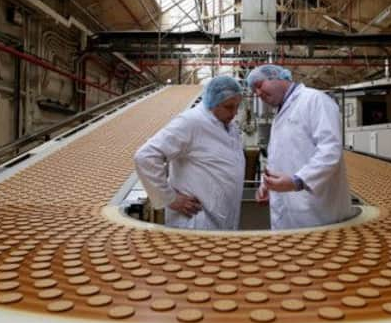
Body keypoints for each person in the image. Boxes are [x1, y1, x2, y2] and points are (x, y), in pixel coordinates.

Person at [246, 64, 355, 230]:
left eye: (259, 86)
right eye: (255, 92)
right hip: (289, 210)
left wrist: (297, 181)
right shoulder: (280, 114)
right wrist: (267, 185)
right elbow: (278, 156)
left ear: (277, 77)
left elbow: (330, 150)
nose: (259, 94)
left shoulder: (315, 100)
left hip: (317, 210)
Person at [134, 76, 245, 230]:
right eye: (229, 107)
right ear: (213, 102)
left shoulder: (229, 126)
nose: (234, 113)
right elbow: (145, 156)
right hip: (196, 220)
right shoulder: (191, 122)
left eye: (237, 106)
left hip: (222, 217)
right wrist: (169, 198)